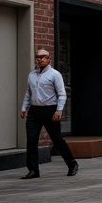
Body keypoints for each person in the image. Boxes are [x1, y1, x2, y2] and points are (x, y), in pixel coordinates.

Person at [20, 49, 78, 179]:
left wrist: (59, 110)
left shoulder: (55, 75)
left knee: (57, 140)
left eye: (42, 57)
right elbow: (28, 93)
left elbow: (62, 94)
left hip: (50, 110)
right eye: (37, 57)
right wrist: (24, 108)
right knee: (31, 140)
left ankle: (72, 164)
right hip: (34, 111)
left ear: (49, 59)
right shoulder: (32, 75)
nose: (39, 59)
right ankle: (33, 170)